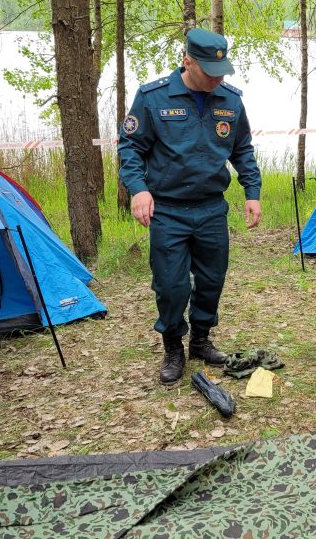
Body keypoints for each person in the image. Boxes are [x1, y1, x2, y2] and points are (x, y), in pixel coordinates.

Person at [118, 27, 262, 386]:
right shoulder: (153, 97)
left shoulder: (230, 100)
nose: (217, 79)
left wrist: (252, 191)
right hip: (168, 210)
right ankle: (172, 346)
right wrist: (138, 189)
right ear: (187, 62)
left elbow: (242, 149)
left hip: (211, 208)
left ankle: (200, 340)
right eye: (210, 72)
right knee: (171, 285)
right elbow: (130, 147)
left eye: (222, 72)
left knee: (212, 279)